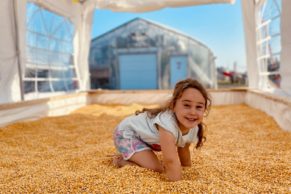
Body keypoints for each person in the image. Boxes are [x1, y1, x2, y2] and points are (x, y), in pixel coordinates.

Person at [112, 78, 211, 181]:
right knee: (157, 168)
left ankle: (135, 156)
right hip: (126, 134)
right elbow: (170, 160)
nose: (193, 112)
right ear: (173, 106)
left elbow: (184, 149)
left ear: (204, 109)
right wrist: (177, 185)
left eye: (199, 107)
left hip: (143, 139)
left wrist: (187, 168)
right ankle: (121, 161)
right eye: (186, 105)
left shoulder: (194, 127)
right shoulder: (167, 123)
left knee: (157, 166)